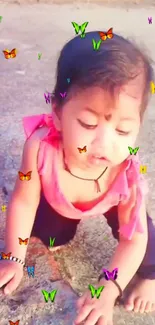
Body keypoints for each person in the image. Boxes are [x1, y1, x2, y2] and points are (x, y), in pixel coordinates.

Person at [0, 30, 155, 325]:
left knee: (147, 242)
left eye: (123, 131)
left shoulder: (125, 173)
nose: (105, 145)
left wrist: (107, 289)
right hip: (60, 195)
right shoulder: (40, 149)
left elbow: (132, 241)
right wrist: (14, 257)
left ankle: (151, 276)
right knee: (45, 236)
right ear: (58, 113)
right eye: (88, 123)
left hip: (112, 198)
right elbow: (23, 201)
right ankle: (64, 224)